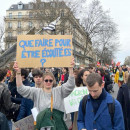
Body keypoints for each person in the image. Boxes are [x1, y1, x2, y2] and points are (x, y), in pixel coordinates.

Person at [13, 58, 75, 129]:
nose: (48, 82)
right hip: (42, 126)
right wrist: (18, 73)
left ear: (53, 81)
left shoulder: (59, 91)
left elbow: (70, 85)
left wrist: (70, 69)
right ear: (43, 81)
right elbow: (20, 89)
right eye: (46, 80)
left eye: (50, 80)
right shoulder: (36, 92)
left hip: (58, 126)